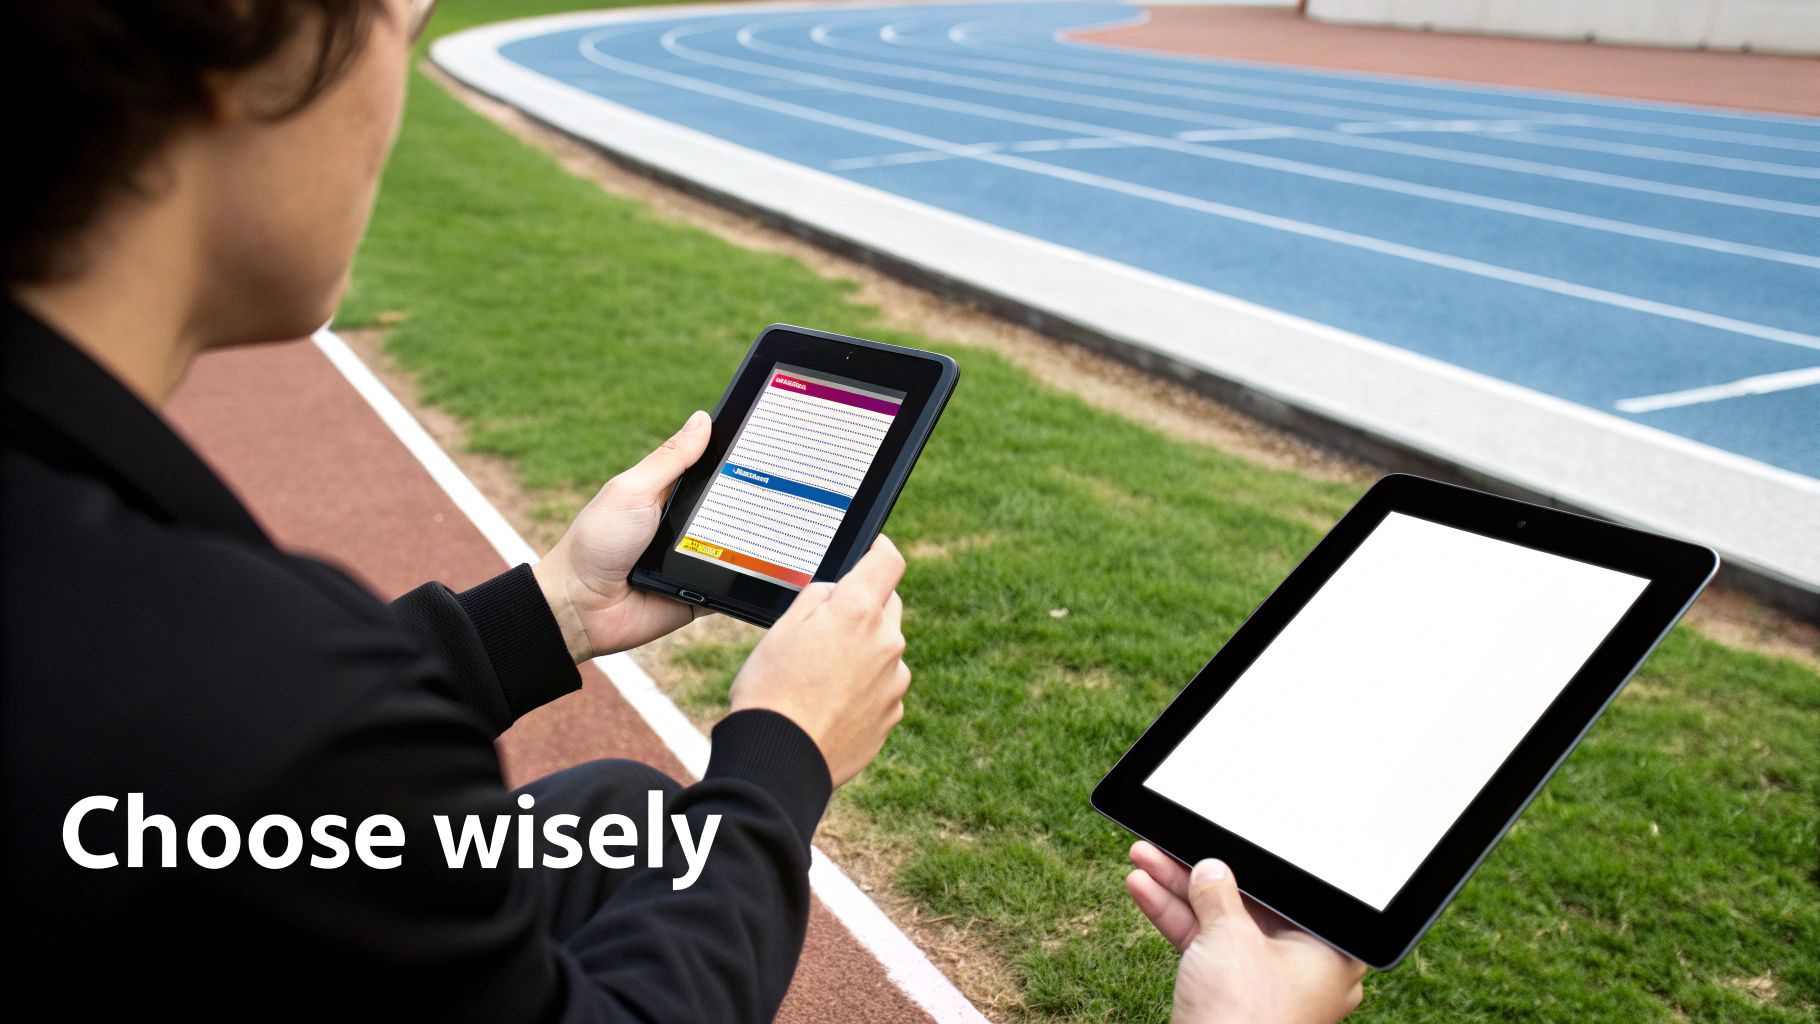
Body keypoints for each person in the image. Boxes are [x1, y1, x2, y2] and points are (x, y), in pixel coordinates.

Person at [0, 1, 1365, 1020]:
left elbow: (209, 785)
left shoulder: (110, 603)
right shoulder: (247, 681)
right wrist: (780, 757)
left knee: (620, 812)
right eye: (400, 33)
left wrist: (548, 614)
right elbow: (271, 755)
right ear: (238, 53)